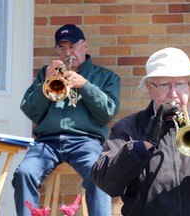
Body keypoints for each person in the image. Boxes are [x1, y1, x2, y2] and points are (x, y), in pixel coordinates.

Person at [90, 47, 190, 216]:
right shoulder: (127, 127)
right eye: (165, 85)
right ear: (150, 88)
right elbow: (106, 182)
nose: (173, 94)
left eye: (180, 84)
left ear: (189, 87)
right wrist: (142, 145)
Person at [12, 24, 120, 216]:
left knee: (99, 173)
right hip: (47, 143)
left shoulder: (106, 77)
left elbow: (107, 113)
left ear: (84, 47)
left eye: (72, 46)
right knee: (24, 173)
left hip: (86, 141)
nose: (67, 53)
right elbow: (30, 110)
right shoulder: (47, 73)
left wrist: (85, 86)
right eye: (61, 48)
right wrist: (45, 82)